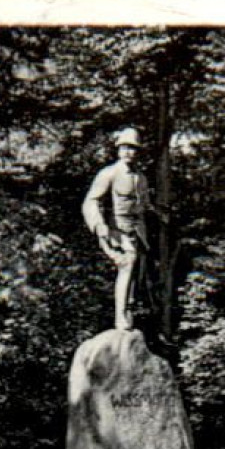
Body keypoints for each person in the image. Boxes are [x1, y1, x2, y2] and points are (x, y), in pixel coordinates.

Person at [83, 127, 157, 331]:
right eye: (124, 147)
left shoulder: (141, 178)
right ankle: (120, 317)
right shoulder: (109, 173)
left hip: (137, 232)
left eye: (132, 148)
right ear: (118, 150)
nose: (128, 152)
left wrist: (159, 213)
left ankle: (129, 314)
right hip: (117, 230)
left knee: (136, 275)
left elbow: (145, 205)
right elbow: (90, 201)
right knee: (127, 264)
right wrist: (99, 225)